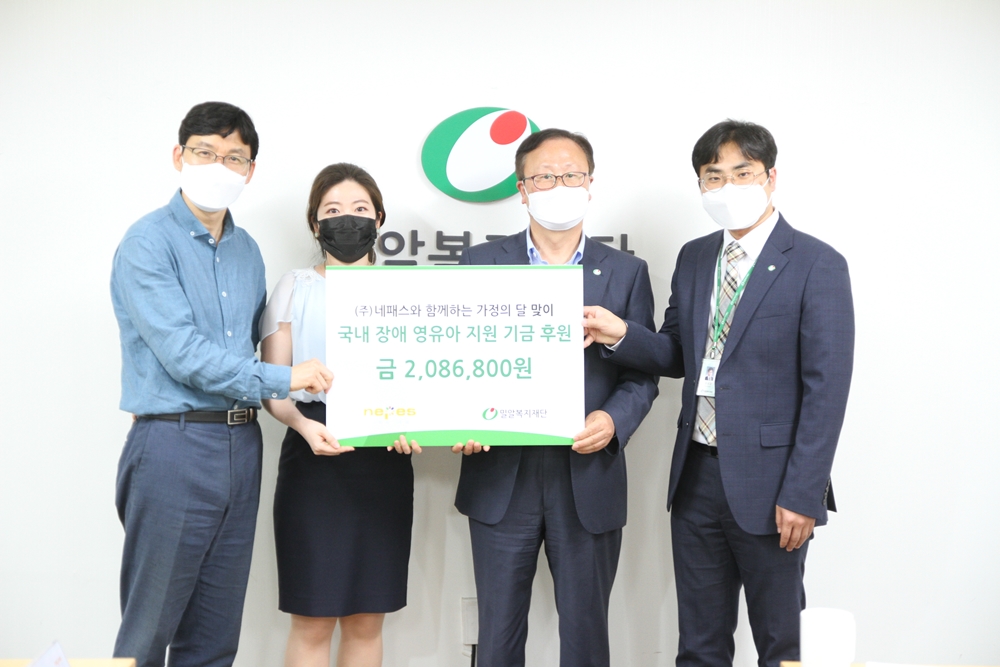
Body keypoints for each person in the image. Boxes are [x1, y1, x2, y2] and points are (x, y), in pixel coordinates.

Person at [583, 119, 855, 667]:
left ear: (771, 177)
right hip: (696, 476)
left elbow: (826, 390)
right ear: (701, 186)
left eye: (742, 173)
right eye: (714, 176)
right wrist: (621, 334)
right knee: (700, 644)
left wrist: (803, 493)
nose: (727, 187)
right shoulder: (696, 256)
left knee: (783, 643)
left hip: (774, 484)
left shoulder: (817, 263)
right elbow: (677, 354)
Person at [110, 101, 333, 667]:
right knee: (149, 629)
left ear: (250, 171)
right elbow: (185, 356)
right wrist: (287, 376)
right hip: (174, 443)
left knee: (215, 633)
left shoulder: (245, 249)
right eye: (205, 152)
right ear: (179, 156)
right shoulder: (147, 243)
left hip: (241, 442)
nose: (219, 166)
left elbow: (252, 349)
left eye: (234, 157)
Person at [451, 128, 659, 667]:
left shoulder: (626, 272)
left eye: (571, 175)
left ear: (590, 184)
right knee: (496, 637)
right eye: (544, 177)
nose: (559, 186)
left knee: (586, 637)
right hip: (501, 476)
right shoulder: (479, 263)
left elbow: (643, 375)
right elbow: (455, 363)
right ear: (522, 189)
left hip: (588, 476)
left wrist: (613, 420)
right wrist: (459, 417)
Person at [260, 163, 416, 667]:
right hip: (314, 458)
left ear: (379, 219)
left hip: (385, 460)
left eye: (360, 208)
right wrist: (304, 426)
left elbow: (426, 380)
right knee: (313, 618)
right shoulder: (295, 286)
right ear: (315, 224)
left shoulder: (408, 291)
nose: (347, 219)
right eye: (332, 210)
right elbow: (273, 384)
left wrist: (413, 426)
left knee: (368, 619)